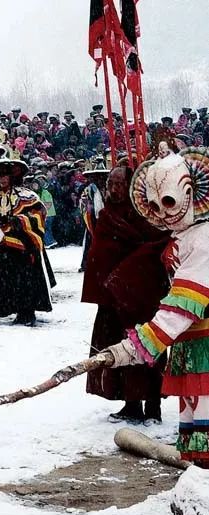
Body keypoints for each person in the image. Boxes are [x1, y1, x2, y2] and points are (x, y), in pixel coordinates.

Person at [105, 148, 209, 467]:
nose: (163, 214)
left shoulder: (203, 238)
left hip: (204, 343)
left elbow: (184, 304)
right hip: (190, 344)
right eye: (154, 206)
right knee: (194, 418)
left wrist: (138, 345)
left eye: (168, 202)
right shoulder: (185, 236)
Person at [82, 166, 170, 423]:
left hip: (141, 295)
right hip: (113, 298)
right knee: (119, 348)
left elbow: (155, 247)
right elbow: (101, 254)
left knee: (147, 347)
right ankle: (130, 403)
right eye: (111, 183)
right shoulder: (108, 215)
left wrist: (127, 276)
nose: (113, 188)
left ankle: (153, 406)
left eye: (119, 183)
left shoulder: (146, 215)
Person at [0, 145, 53, 326]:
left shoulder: (26, 195)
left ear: (12, 176)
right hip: (2, 248)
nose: (2, 179)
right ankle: (10, 308)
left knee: (26, 281)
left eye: (5, 175)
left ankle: (27, 312)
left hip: (23, 248)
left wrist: (18, 222)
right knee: (5, 280)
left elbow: (38, 214)